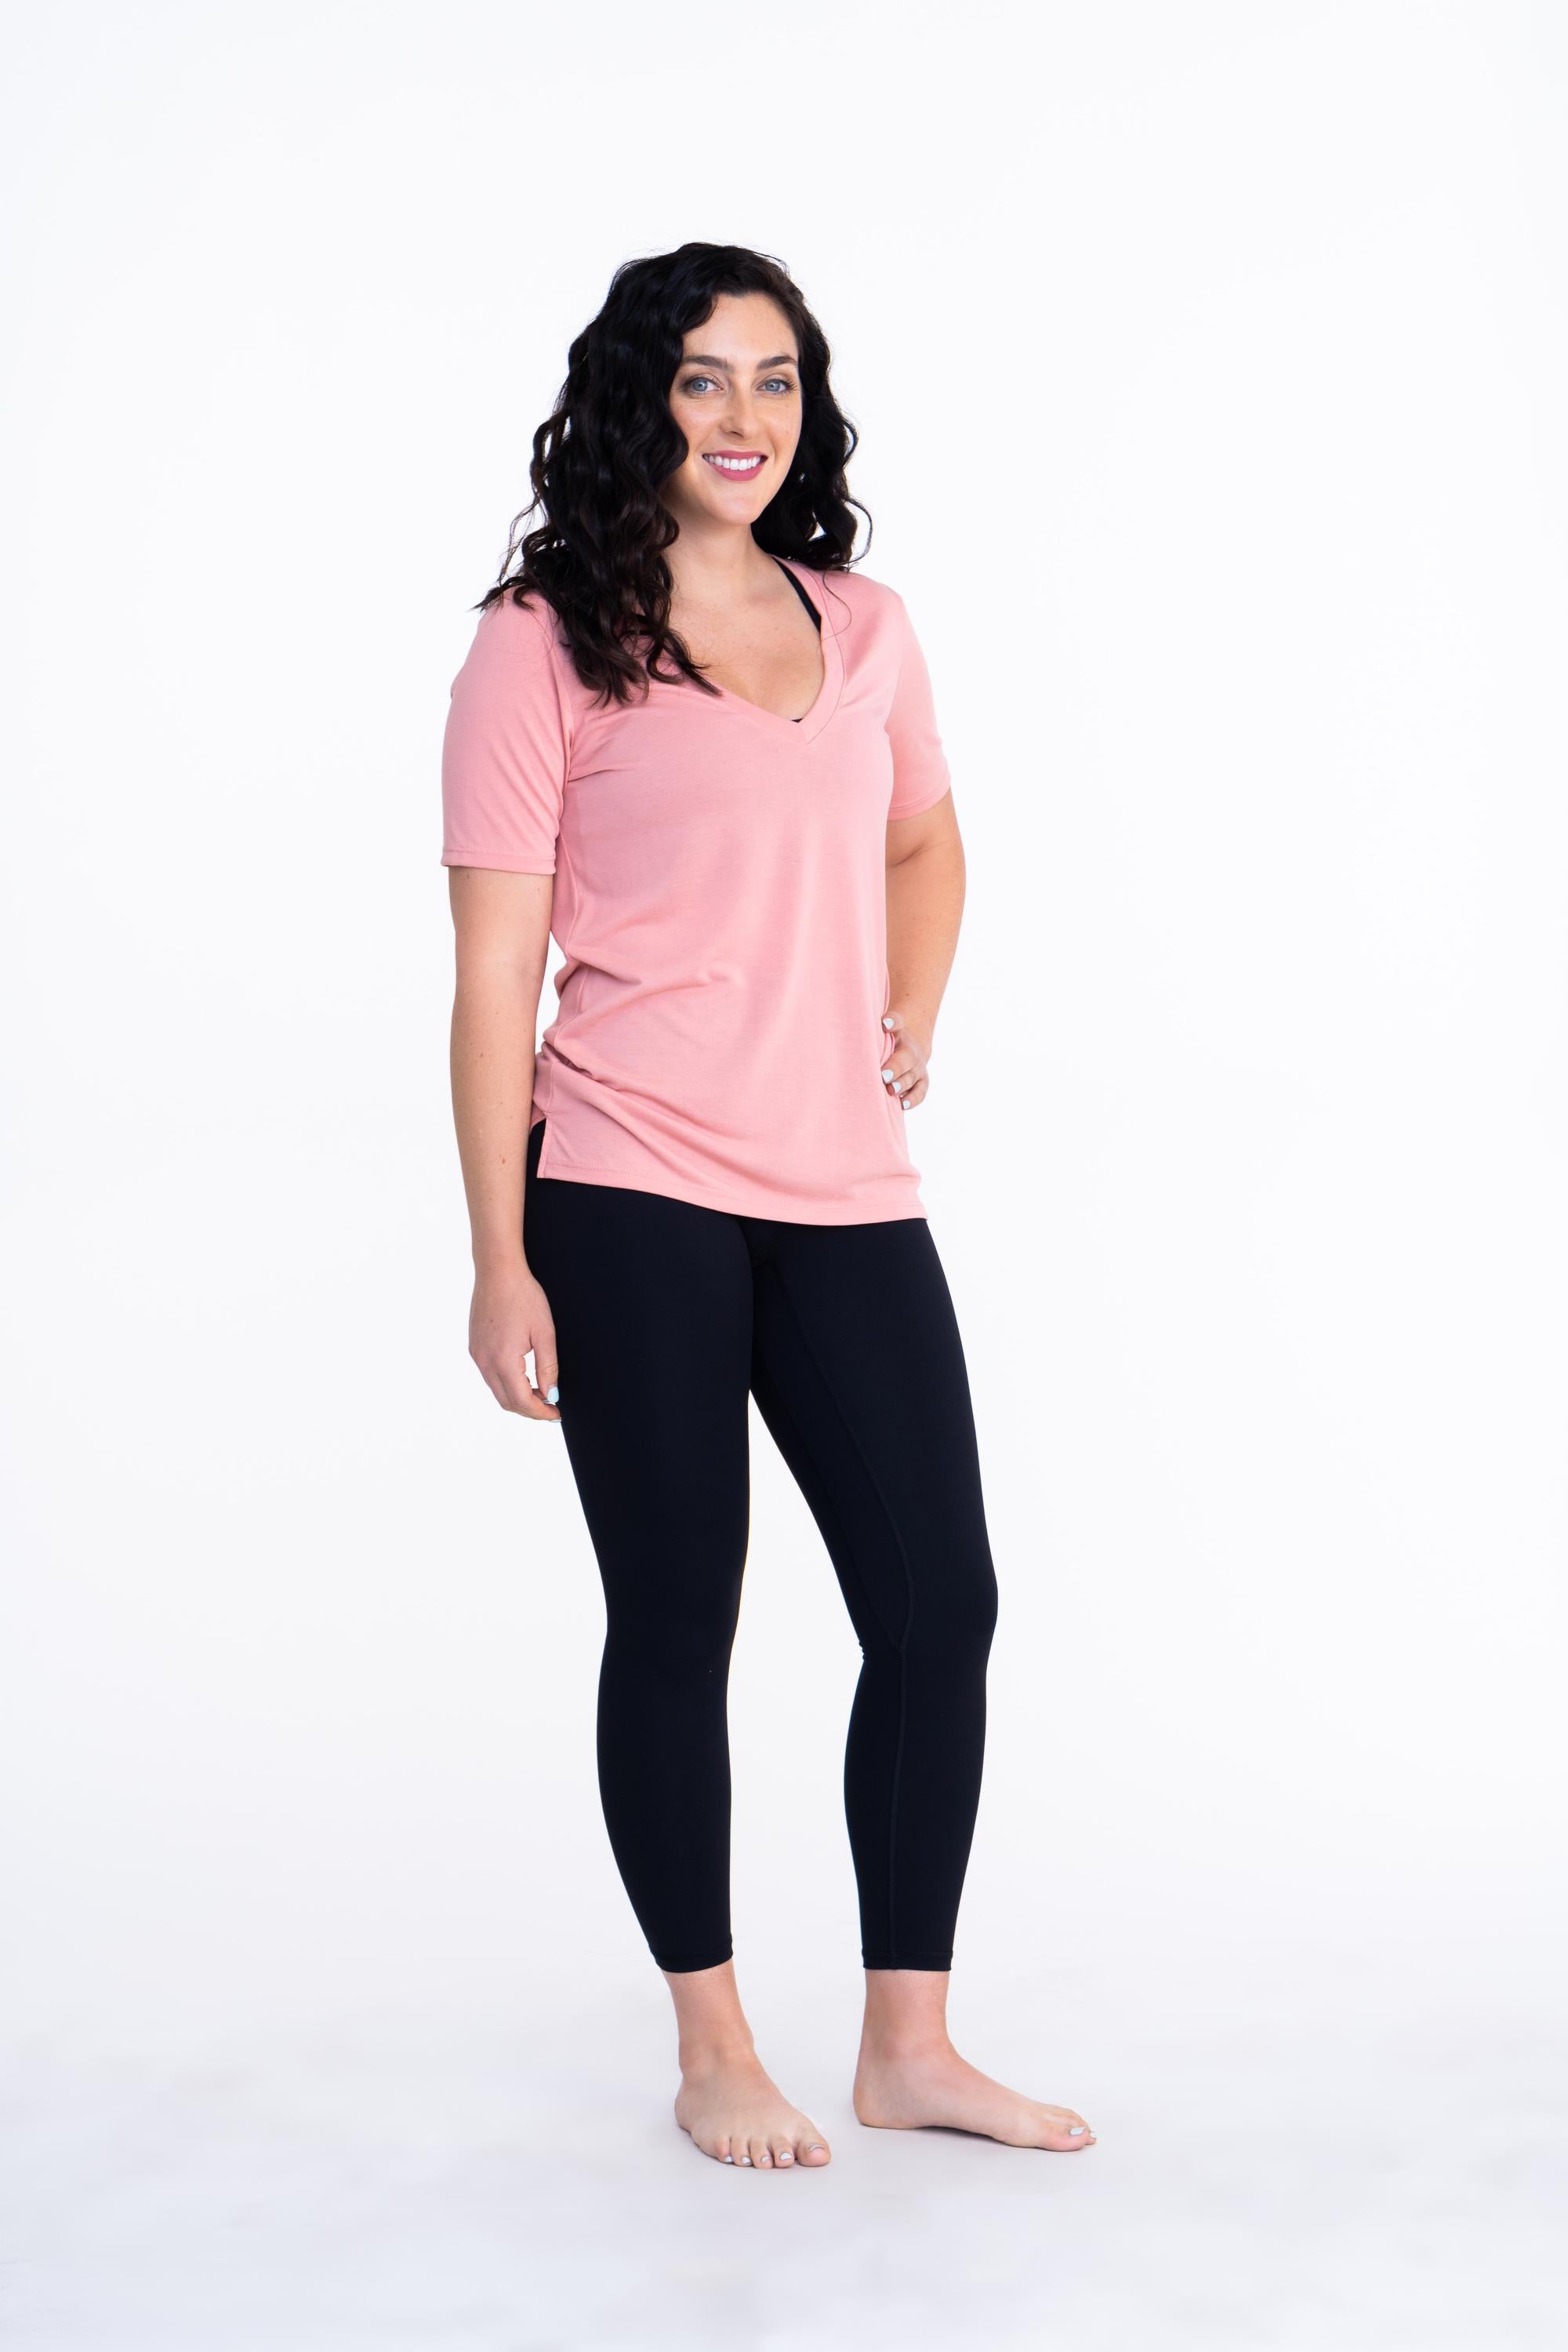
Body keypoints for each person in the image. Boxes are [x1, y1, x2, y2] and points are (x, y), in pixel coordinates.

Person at [441, 242, 1095, 2172]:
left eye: (777, 379)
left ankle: (909, 2043)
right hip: (625, 1179)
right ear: (637, 400)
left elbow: (924, 840)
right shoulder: (541, 639)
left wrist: (912, 1009)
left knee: (941, 1604)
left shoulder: (867, 623)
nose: (746, 418)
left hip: (842, 1184)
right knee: (679, 1612)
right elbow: (491, 975)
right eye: (705, 379)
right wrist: (498, 1259)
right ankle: (713, 2044)